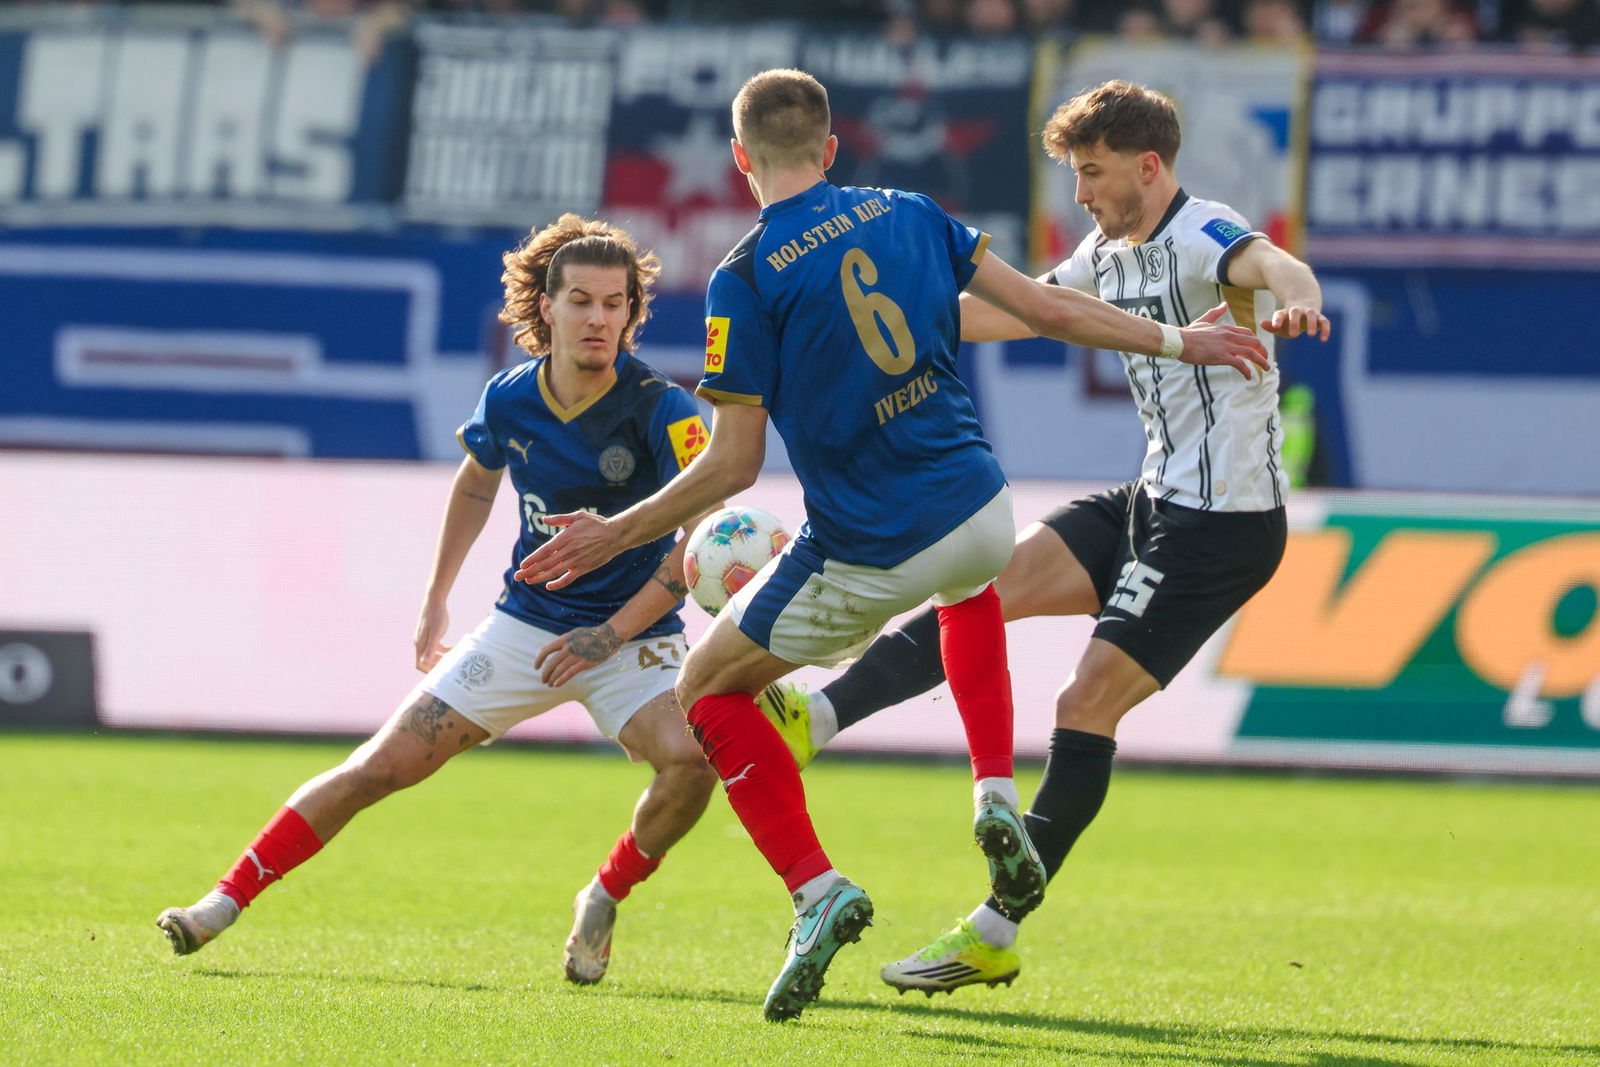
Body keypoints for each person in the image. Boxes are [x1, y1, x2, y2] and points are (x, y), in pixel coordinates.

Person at [513, 69, 1268, 1021]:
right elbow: (1048, 309)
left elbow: (733, 466)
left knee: (706, 688)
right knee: (968, 583)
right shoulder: (911, 209)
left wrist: (616, 530)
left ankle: (815, 889)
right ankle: (995, 793)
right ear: (830, 149)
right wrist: (1180, 341)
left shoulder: (744, 276)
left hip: (866, 544)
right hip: (980, 508)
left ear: (742, 160)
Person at [756, 78, 1333, 996]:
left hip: (1219, 528)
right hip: (1149, 498)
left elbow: (1278, 266)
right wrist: (868, 325)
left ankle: (993, 930)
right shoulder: (1104, 254)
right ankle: (817, 719)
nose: (1080, 195)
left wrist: (1297, 300)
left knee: (1083, 703)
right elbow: (1007, 310)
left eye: (1093, 173)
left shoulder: (1204, 234)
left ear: (1149, 166)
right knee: (984, 581)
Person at [156, 215, 720, 986]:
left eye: (616, 303)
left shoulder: (667, 410)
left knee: (690, 765)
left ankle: (605, 891)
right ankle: (220, 901)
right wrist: (436, 599)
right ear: (546, 307)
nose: (599, 318)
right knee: (376, 768)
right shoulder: (511, 398)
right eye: (582, 300)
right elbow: (476, 481)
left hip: (634, 638)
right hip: (526, 626)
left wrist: (610, 632)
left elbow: (698, 546)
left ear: (632, 312)